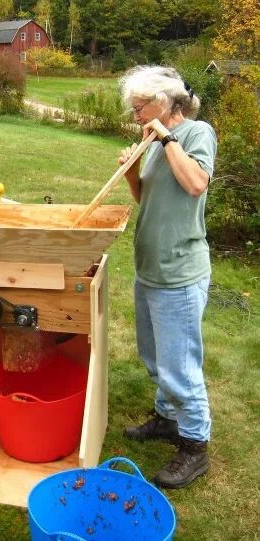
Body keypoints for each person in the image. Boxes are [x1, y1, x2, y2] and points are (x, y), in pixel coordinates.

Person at [117, 66, 217, 489]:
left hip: (180, 271)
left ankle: (195, 446)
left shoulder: (196, 133)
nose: (136, 114)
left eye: (140, 106)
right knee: (156, 357)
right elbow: (148, 196)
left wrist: (166, 137)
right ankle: (167, 418)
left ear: (164, 100)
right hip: (151, 268)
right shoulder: (153, 141)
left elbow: (195, 183)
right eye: (134, 108)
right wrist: (130, 170)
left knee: (180, 365)